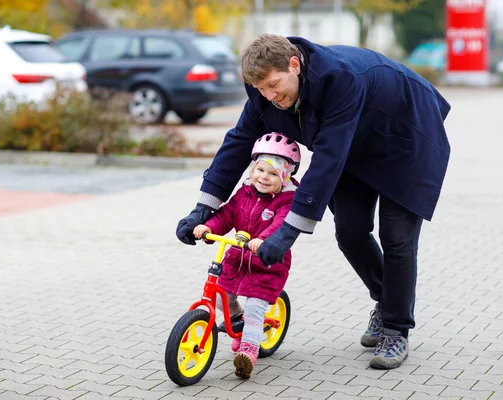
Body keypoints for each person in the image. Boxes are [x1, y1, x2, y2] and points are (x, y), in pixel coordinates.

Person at [177, 34, 451, 370]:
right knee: (350, 232)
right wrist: (203, 208)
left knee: (397, 239)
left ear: (294, 65)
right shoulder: (264, 90)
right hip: (356, 146)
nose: (270, 96)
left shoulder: (339, 80)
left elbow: (327, 158)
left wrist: (286, 233)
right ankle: (385, 298)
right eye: (261, 89)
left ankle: (395, 328)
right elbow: (239, 142)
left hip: (407, 140)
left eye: (275, 85)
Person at [192, 132, 301, 379]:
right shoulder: (244, 193)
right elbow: (227, 214)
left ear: (284, 177)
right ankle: (237, 323)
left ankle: (249, 351)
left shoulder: (286, 200)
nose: (264, 177)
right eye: (260, 170)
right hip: (237, 259)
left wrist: (264, 241)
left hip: (267, 264)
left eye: (273, 174)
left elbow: (282, 224)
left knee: (255, 307)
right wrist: (209, 226)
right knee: (221, 298)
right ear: (253, 169)